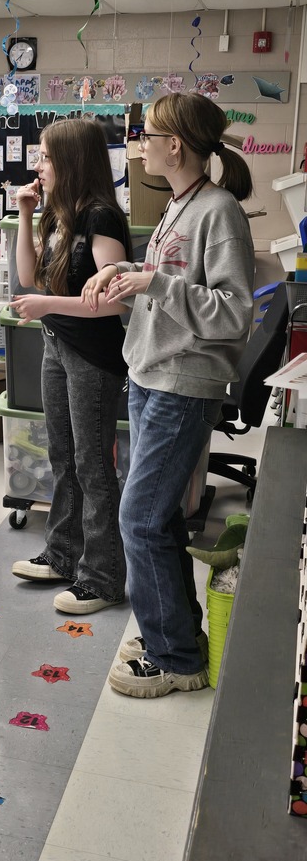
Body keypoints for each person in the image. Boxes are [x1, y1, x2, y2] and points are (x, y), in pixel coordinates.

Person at [81, 92, 255, 698]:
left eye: (146, 136)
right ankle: (177, 637)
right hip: (151, 373)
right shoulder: (177, 205)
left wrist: (153, 280)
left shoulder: (218, 211)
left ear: (173, 145)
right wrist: (126, 278)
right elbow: (171, 289)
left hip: (183, 383)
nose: (139, 146)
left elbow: (233, 313)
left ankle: (175, 658)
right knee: (158, 518)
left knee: (139, 519)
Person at [10, 119, 132, 615]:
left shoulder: (101, 218)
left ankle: (102, 578)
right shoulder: (59, 215)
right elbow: (28, 275)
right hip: (57, 347)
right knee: (61, 455)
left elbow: (116, 301)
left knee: (92, 465)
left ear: (71, 161)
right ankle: (63, 555)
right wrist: (25, 214)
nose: (39, 165)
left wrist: (49, 306)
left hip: (92, 357)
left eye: (46, 156)